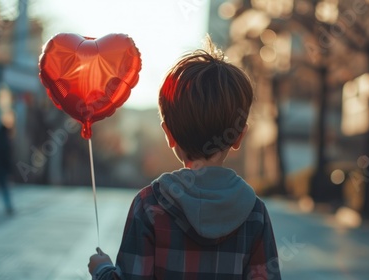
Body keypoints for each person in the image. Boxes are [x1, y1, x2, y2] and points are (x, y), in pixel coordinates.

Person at [88, 37, 281, 280]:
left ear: (168, 134)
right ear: (239, 137)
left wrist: (102, 269)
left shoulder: (149, 205)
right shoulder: (255, 213)